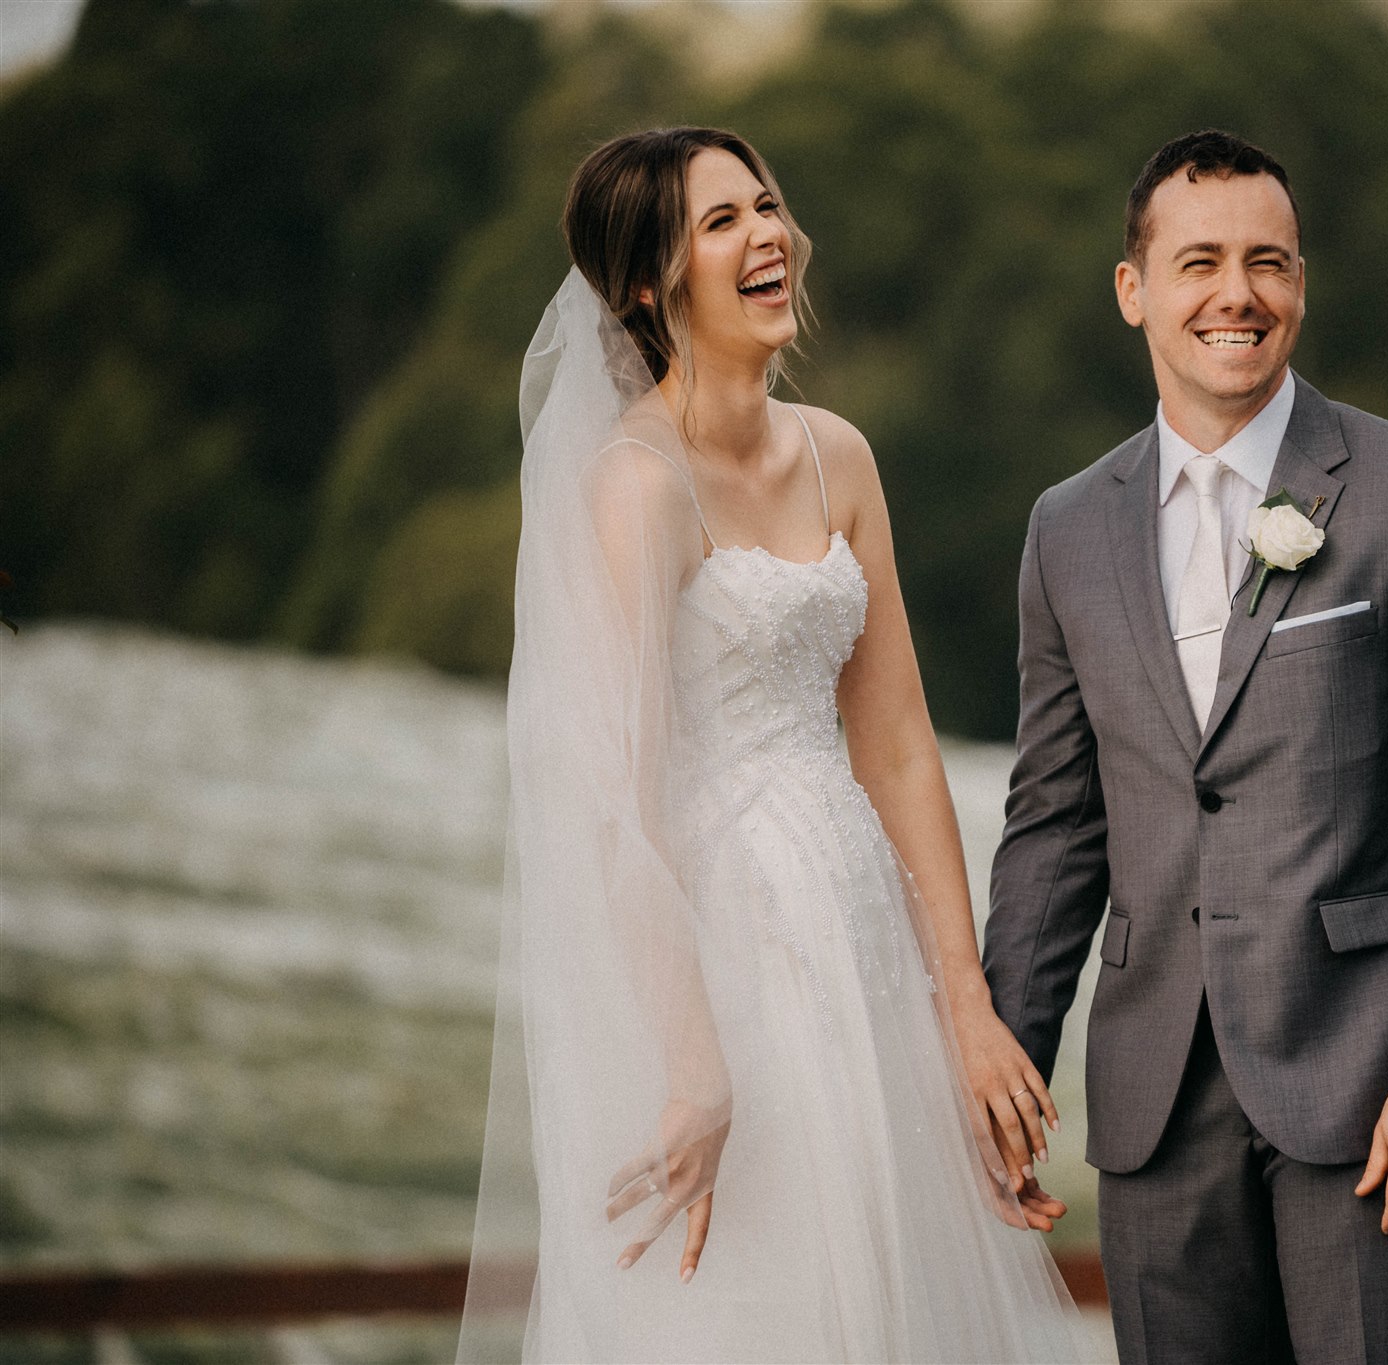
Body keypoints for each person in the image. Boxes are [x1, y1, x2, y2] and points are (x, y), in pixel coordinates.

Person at [457, 126, 1086, 1364]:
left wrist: (963, 1001)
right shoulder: (635, 485)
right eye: (720, 223)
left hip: (866, 937)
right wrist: (694, 1061)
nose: (767, 239)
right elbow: (611, 805)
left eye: (767, 207)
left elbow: (898, 745)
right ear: (648, 284)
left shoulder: (837, 454)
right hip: (726, 956)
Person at [983, 128, 1388, 1364]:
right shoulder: (1066, 528)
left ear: (1300, 283)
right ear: (1132, 290)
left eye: (1267, 263)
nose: (1234, 295)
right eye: (1197, 263)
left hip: (1369, 1095)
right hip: (1151, 1104)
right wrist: (1004, 1077)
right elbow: (1057, 823)